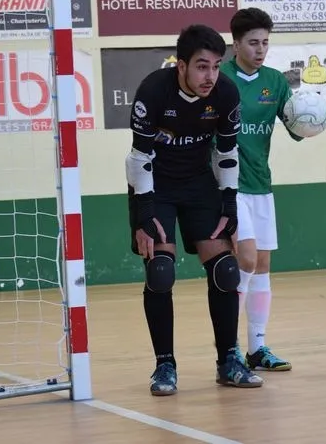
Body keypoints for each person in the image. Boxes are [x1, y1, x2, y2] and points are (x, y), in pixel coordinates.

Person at [126, 23, 264, 396]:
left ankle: (229, 360)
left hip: (199, 182)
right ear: (182, 65)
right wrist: (144, 213)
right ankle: (165, 365)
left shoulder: (225, 93)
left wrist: (229, 205)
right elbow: (139, 158)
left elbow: (227, 153)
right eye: (202, 66)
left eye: (216, 66)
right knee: (160, 272)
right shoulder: (153, 91)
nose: (210, 76)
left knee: (226, 271)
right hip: (155, 185)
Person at [220, 7, 301, 371]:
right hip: (228, 184)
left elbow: (296, 126)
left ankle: (257, 348)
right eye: (253, 43)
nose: (260, 49)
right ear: (236, 44)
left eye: (265, 43)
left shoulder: (275, 81)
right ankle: (229, 348)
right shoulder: (220, 78)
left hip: (261, 184)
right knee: (247, 259)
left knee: (263, 266)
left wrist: (311, 116)